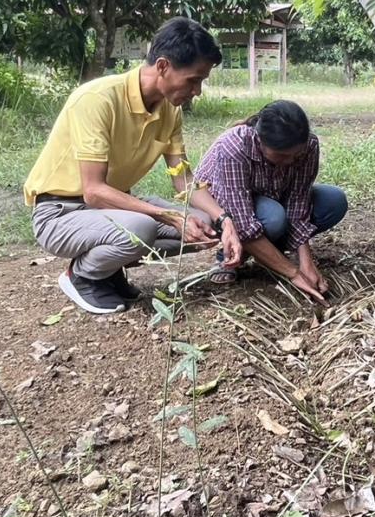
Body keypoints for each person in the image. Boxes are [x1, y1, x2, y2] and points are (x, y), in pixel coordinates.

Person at [23, 18, 242, 314]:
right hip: (61, 213)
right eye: (193, 80)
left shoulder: (169, 111)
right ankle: (83, 275)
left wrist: (224, 221)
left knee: (202, 223)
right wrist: (169, 216)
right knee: (142, 227)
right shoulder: (97, 100)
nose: (197, 91)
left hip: (111, 210)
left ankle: (108, 268)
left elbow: (184, 181)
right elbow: (94, 192)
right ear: (163, 66)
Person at [197, 100, 347, 302]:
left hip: (272, 198)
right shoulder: (234, 147)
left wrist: (306, 262)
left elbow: (298, 202)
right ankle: (232, 255)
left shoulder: (309, 146)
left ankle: (268, 252)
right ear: (260, 141)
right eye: (282, 156)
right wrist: (294, 273)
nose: (291, 162)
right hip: (226, 208)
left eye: (296, 155)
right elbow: (242, 222)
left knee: (333, 202)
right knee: (274, 217)